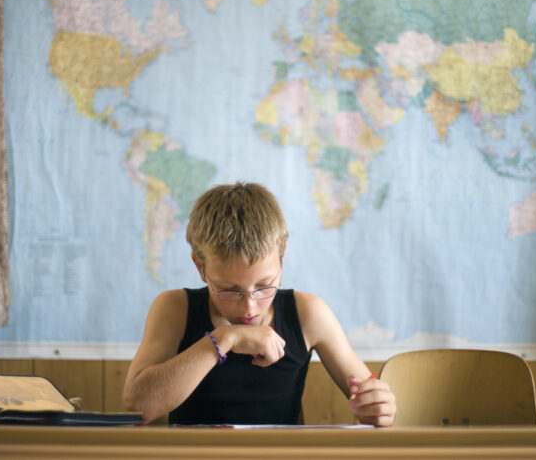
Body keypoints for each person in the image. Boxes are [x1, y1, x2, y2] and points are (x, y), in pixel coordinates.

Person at [122, 182, 396, 426]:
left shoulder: (308, 313)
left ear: (282, 258)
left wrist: (377, 405)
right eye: (230, 290)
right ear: (200, 267)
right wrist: (224, 338)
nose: (250, 308)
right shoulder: (175, 309)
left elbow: (369, 395)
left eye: (265, 286)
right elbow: (138, 406)